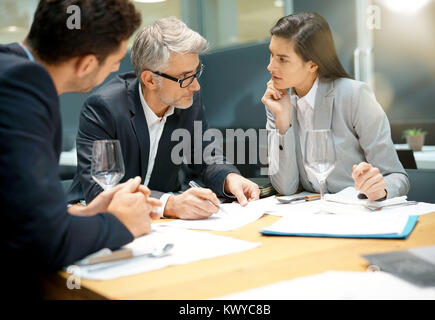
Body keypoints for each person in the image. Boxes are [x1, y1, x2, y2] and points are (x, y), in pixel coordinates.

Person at [0, 0, 161, 299]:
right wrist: (120, 223)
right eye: (115, 63)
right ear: (86, 63)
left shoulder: (9, 66)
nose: (117, 71)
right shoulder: (22, 85)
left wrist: (88, 214)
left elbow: (17, 217)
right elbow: (43, 242)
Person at [67, 17, 260, 220]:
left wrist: (230, 178)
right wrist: (168, 204)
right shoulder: (104, 108)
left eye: (196, 73)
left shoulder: (187, 99)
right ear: (150, 80)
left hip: (161, 224)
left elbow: (204, 154)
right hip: (92, 219)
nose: (196, 86)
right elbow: (102, 192)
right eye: (185, 77)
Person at [262, 12, 409, 200]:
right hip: (312, 214)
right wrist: (282, 121)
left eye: (282, 59)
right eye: (271, 55)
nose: (270, 66)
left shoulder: (354, 95)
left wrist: (381, 189)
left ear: (313, 65)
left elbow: (397, 176)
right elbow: (286, 187)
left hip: (358, 211)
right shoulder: (277, 102)